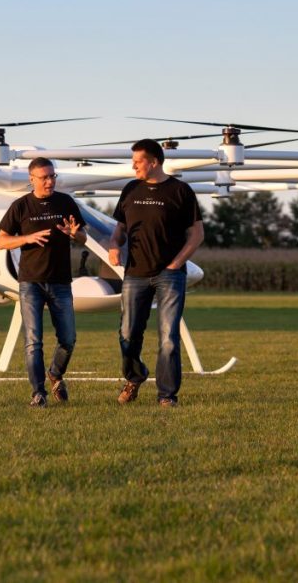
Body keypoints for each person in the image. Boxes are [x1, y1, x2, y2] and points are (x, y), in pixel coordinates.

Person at [108, 139, 204, 407]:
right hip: (134, 274)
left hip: (170, 276)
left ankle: (166, 395)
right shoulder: (130, 189)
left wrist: (175, 264)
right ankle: (135, 376)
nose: (133, 166)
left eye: (137, 162)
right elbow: (119, 231)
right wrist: (114, 245)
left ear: (153, 162)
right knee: (128, 335)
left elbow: (197, 234)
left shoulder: (180, 191)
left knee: (168, 338)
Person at [0, 157, 86, 407]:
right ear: (32, 179)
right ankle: (39, 393)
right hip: (31, 283)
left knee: (68, 339)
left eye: (52, 176)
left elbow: (83, 237)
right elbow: (2, 241)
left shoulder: (65, 202)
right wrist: (26, 238)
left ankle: (55, 374)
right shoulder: (20, 206)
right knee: (33, 341)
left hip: (60, 282)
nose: (50, 181)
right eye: (44, 177)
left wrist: (75, 234)